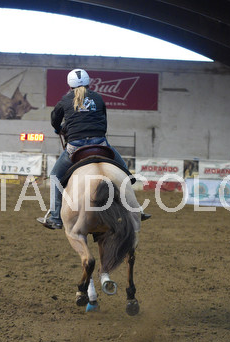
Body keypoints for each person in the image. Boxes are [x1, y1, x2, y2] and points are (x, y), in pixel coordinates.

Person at [37, 68, 149, 229]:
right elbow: (104, 120)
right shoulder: (98, 98)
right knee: (125, 172)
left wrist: (59, 129)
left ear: (69, 85)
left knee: (55, 176)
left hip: (75, 146)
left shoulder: (65, 100)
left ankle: (55, 217)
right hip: (100, 143)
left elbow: (54, 120)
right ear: (88, 82)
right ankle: (136, 209)